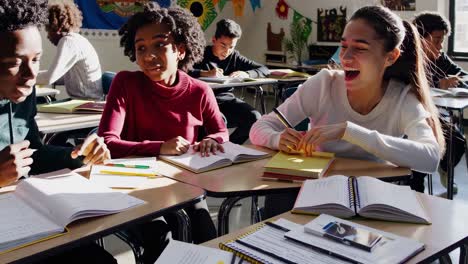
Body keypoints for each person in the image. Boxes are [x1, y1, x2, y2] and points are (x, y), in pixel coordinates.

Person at [250, 5, 444, 217]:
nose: (346, 57)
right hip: (317, 191)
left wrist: (348, 132)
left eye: (360, 48)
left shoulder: (402, 98)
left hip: (371, 198)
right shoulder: (323, 83)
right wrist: (278, 139)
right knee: (279, 201)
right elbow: (260, 127)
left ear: (391, 56)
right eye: (343, 46)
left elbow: (430, 157)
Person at [98, 3, 228, 263]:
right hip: (134, 186)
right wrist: (159, 147)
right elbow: (107, 143)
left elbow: (221, 131)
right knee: (163, 236)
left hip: (183, 185)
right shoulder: (125, 83)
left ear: (180, 50)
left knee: (206, 233)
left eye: (159, 45)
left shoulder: (200, 91)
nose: (148, 56)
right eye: (141, 48)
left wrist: (213, 140)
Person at [0, 0, 115, 263]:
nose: (30, 75)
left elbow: (34, 154)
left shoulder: (23, 98)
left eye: (37, 59)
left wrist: (76, 156)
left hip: (25, 219)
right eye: (14, 63)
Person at [189, 19, 270, 144]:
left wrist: (246, 73)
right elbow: (182, 70)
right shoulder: (200, 54)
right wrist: (204, 73)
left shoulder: (234, 57)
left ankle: (229, 147)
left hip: (226, 101)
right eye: (223, 45)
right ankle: (207, 149)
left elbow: (264, 69)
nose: (227, 51)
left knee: (254, 117)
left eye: (231, 47)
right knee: (219, 121)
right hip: (204, 102)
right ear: (214, 40)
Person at [413, 11, 467, 194]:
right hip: (413, 115)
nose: (440, 46)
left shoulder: (441, 58)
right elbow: (406, 90)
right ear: (420, 38)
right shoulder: (409, 60)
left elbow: (464, 75)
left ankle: (445, 168)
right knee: (423, 146)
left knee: (457, 140)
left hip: (436, 113)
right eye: (436, 40)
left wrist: (456, 81)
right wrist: (437, 84)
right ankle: (416, 189)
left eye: (442, 40)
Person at [36, 2, 103, 100]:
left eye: (49, 30)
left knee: (37, 105)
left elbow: (49, 78)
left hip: (86, 104)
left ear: (56, 28)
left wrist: (22, 78)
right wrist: (36, 74)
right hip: (87, 100)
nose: (48, 36)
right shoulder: (77, 39)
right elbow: (66, 76)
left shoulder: (68, 42)